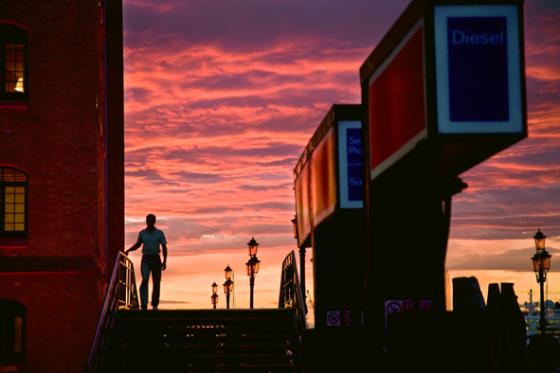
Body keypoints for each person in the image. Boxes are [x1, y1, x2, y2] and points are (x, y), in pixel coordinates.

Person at [125, 214, 167, 311]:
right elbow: (138, 244)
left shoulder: (159, 233)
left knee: (156, 283)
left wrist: (164, 262)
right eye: (147, 220)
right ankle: (144, 303)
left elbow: (164, 247)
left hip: (156, 259)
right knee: (144, 279)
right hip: (146, 259)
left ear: (154, 222)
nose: (149, 222)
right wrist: (129, 250)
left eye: (151, 220)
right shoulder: (142, 233)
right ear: (146, 221)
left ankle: (155, 305)